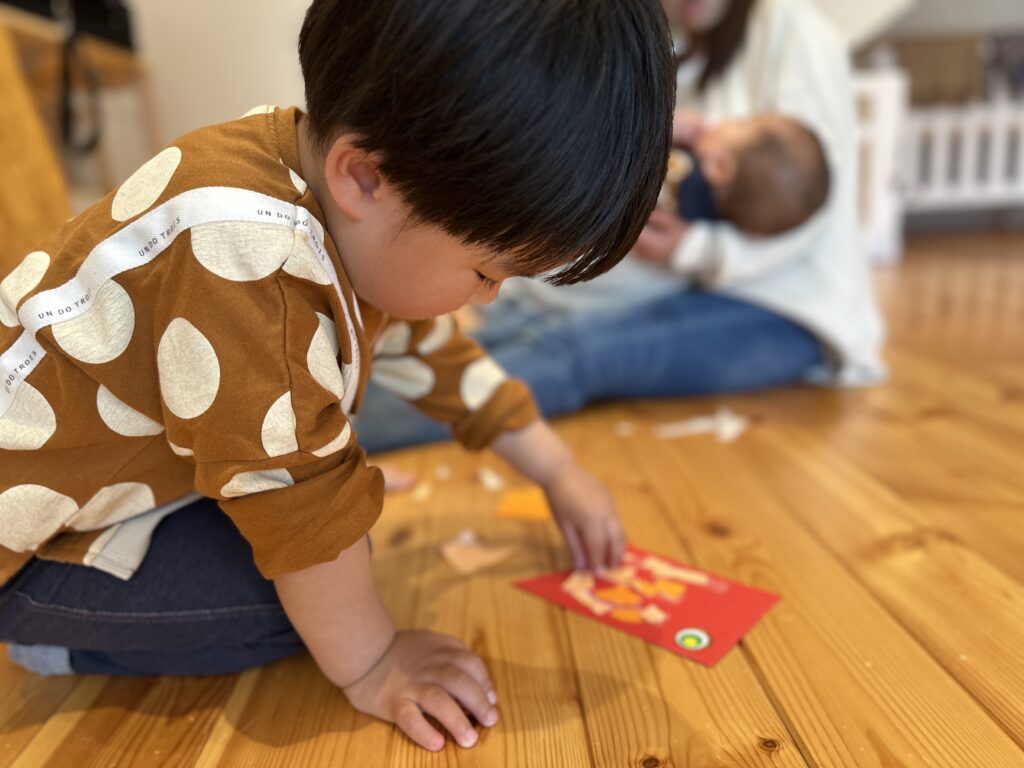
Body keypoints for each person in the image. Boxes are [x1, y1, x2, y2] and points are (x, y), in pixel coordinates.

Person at [0, 0, 675, 752]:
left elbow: (435, 354)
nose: (487, 298)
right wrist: (374, 661)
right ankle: (50, 638)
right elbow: (303, 511)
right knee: (303, 603)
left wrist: (557, 471)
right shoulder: (248, 259)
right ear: (363, 177)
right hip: (27, 552)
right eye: (486, 273)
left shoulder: (334, 195)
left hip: (111, 489)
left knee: (333, 572)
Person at [356, 0, 886, 455]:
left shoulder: (795, 33)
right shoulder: (688, 47)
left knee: (574, 352)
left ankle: (342, 437)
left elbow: (809, 204)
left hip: (785, 309)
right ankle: (340, 399)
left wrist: (690, 249)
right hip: (701, 290)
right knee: (517, 324)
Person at [667, 113, 830, 236]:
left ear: (719, 168)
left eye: (742, 123)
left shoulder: (677, 175)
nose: (728, 119)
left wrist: (667, 124)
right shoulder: (692, 227)